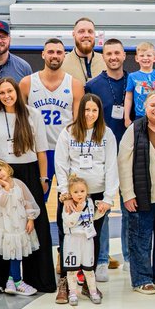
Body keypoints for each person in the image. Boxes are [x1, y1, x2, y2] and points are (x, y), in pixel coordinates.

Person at [0, 77, 56, 293]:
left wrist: (43, 178)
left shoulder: (33, 115)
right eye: (2, 93)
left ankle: (39, 279)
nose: (7, 96)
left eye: (10, 91)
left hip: (29, 173)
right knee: (0, 225)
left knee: (35, 224)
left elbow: (42, 151)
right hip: (1, 174)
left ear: (17, 92)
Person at [54, 93, 118, 289]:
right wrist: (65, 195)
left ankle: (89, 283)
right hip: (72, 196)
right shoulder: (68, 132)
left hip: (97, 196)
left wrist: (108, 198)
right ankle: (65, 281)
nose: (90, 114)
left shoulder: (106, 134)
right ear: (80, 111)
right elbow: (61, 164)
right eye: (87, 110)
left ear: (100, 112)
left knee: (92, 237)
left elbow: (111, 166)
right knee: (68, 236)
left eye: (94, 110)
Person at [118, 90, 155, 294]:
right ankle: (142, 279)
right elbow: (123, 163)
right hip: (142, 194)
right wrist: (128, 194)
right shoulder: (135, 129)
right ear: (145, 107)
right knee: (140, 238)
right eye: (152, 105)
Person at [20, 37, 84, 198]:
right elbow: (19, 120)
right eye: (50, 52)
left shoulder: (75, 84)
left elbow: (78, 123)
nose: (54, 56)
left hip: (65, 150)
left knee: (69, 199)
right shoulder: (27, 83)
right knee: (36, 200)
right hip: (37, 150)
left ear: (64, 55)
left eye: (59, 52)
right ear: (43, 54)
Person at [85, 37, 128, 271]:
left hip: (130, 154)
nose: (113, 57)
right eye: (109, 53)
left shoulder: (134, 81)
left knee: (130, 206)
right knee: (101, 208)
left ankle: (129, 257)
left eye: (117, 53)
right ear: (103, 57)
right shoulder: (93, 85)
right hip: (101, 155)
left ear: (124, 56)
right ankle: (101, 259)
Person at [0, 159, 41, 297]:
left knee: (17, 253)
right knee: (12, 253)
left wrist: (31, 219)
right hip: (7, 228)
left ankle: (10, 280)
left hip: (19, 225)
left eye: (0, 170)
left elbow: (28, 202)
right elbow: (1, 203)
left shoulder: (19, 184)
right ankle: (18, 282)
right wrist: (6, 189)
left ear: (7, 168)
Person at [59, 175, 103, 305]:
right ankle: (72, 293)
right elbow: (69, 223)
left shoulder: (89, 202)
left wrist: (100, 212)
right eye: (76, 192)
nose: (79, 194)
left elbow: (92, 218)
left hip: (87, 240)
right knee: (72, 270)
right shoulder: (68, 205)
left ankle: (92, 291)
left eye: (82, 191)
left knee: (89, 269)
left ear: (87, 192)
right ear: (70, 193)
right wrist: (77, 211)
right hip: (72, 240)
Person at [124, 41, 155, 127]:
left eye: (149, 55)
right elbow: (128, 98)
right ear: (136, 58)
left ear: (154, 58)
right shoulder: (132, 76)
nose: (145, 58)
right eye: (142, 55)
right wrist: (126, 117)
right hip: (139, 116)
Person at [63, 16, 106, 85]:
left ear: (95, 35)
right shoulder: (62, 63)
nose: (86, 35)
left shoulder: (105, 62)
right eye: (81, 31)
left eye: (90, 32)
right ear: (74, 35)